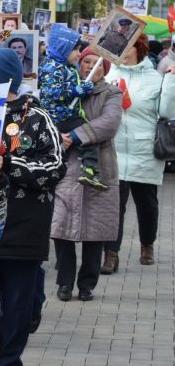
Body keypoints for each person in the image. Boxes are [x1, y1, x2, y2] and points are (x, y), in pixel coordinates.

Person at [0, 48, 65, 366]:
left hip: (25, 229)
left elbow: (55, 168)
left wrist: (9, 163)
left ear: (4, 80)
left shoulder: (38, 118)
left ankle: (8, 359)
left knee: (17, 308)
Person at [50, 49, 122, 302]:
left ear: (104, 69)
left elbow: (110, 122)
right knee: (61, 226)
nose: (90, 67)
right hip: (67, 167)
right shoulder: (67, 88)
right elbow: (50, 113)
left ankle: (87, 284)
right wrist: (58, 136)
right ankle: (64, 282)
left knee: (96, 230)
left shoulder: (112, 93)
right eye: (86, 62)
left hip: (99, 166)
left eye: (96, 64)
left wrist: (77, 135)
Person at [101, 35, 175, 271]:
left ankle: (147, 245)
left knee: (147, 205)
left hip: (144, 151)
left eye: (127, 45)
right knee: (115, 205)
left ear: (137, 49)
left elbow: (166, 111)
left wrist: (171, 82)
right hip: (114, 150)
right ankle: (111, 254)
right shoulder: (110, 75)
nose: (121, 49)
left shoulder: (154, 78)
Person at [39, 24, 106, 190]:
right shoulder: (51, 67)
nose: (78, 54)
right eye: (75, 50)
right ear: (64, 48)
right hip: (60, 116)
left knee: (81, 137)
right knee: (89, 135)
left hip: (66, 113)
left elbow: (70, 92)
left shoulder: (65, 66)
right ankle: (89, 170)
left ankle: (87, 170)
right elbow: (52, 92)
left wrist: (82, 89)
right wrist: (77, 90)